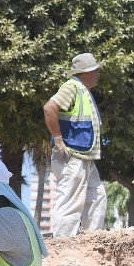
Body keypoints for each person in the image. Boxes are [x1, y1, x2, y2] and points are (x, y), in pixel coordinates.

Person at [42, 52, 107, 237]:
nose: (97, 74)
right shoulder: (72, 86)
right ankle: (63, 245)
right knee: (70, 202)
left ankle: (90, 240)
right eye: (95, 71)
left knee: (97, 197)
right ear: (86, 72)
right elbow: (49, 108)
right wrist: (58, 139)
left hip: (84, 156)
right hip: (72, 156)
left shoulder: (82, 90)